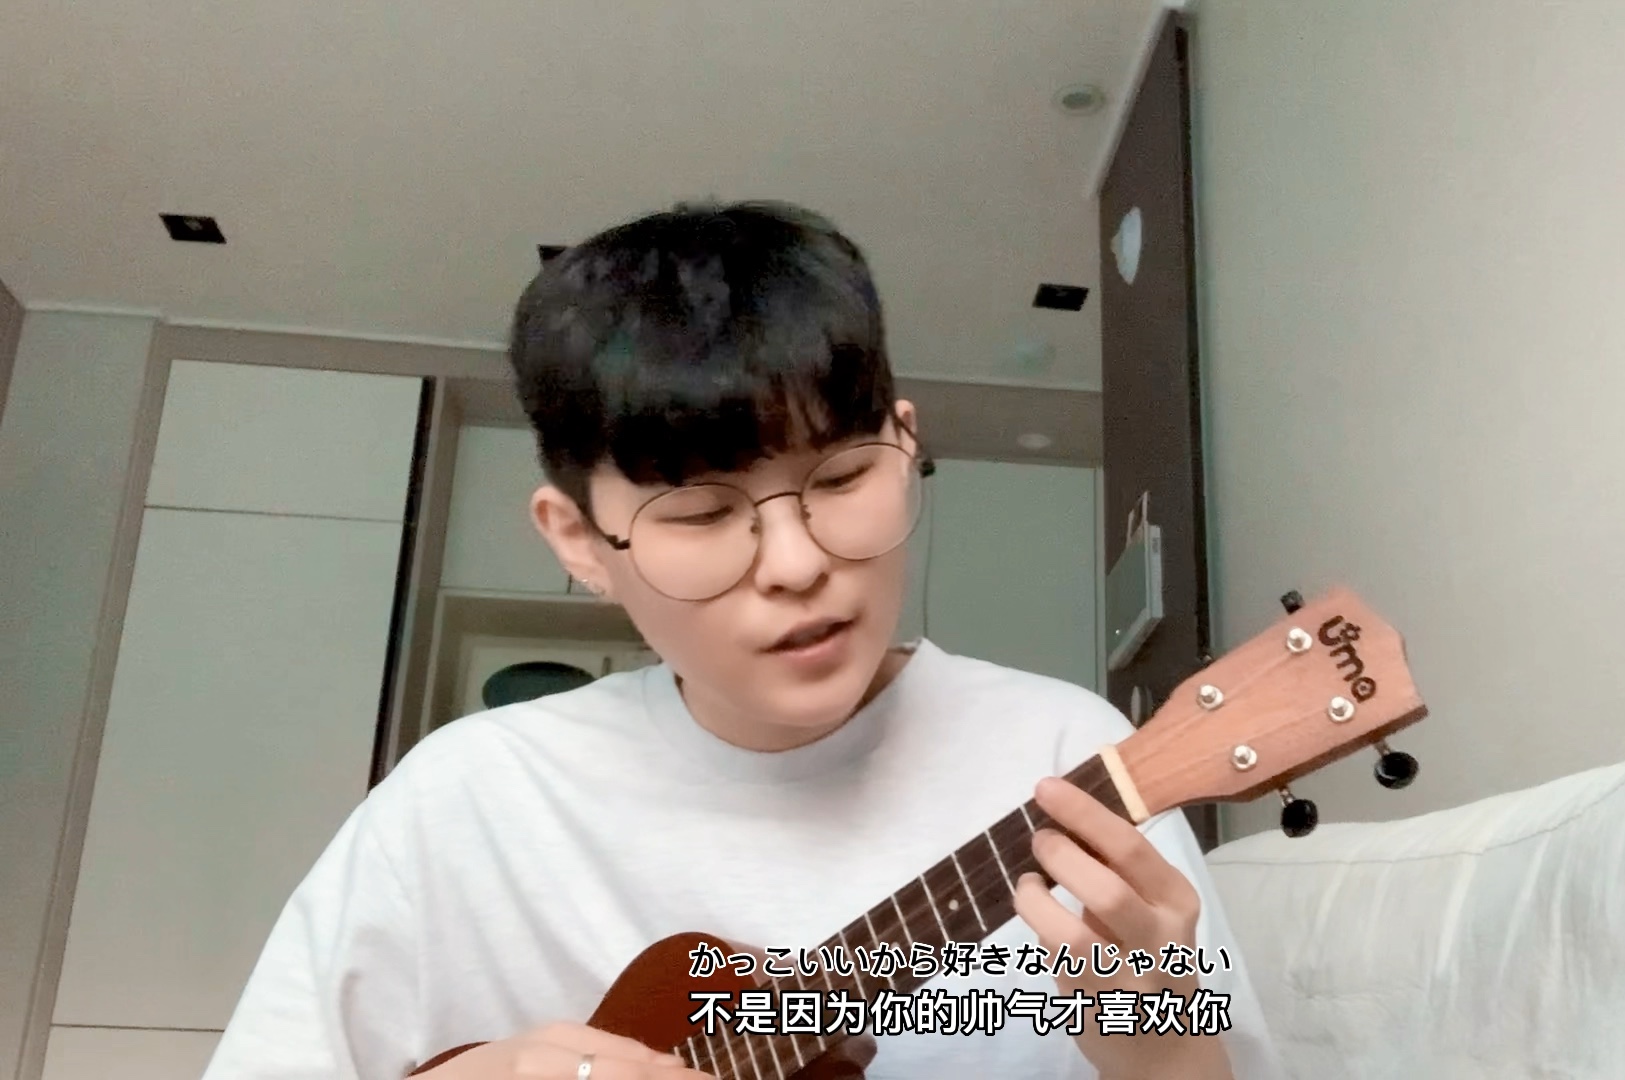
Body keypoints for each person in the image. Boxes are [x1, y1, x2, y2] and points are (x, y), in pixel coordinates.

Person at [201, 201, 1283, 1079]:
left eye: (842, 479)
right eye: (703, 514)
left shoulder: (1064, 758)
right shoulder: (467, 800)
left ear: (905, 443)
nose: (796, 563)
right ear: (578, 540)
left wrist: (1168, 1055)